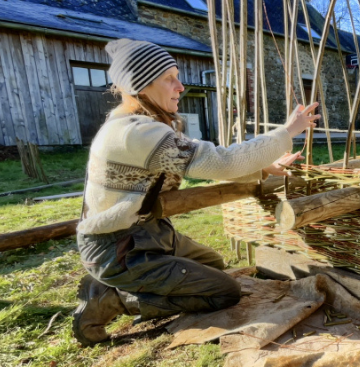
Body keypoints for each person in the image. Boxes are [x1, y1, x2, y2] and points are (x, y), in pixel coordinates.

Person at [73, 38, 320, 346]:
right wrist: (287, 132)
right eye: (169, 79)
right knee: (223, 292)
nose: (180, 87)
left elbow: (196, 167)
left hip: (144, 232)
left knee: (213, 266)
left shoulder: (133, 124)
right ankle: (114, 299)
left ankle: (129, 284)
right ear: (141, 85)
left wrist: (262, 168)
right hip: (117, 246)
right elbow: (222, 162)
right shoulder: (135, 132)